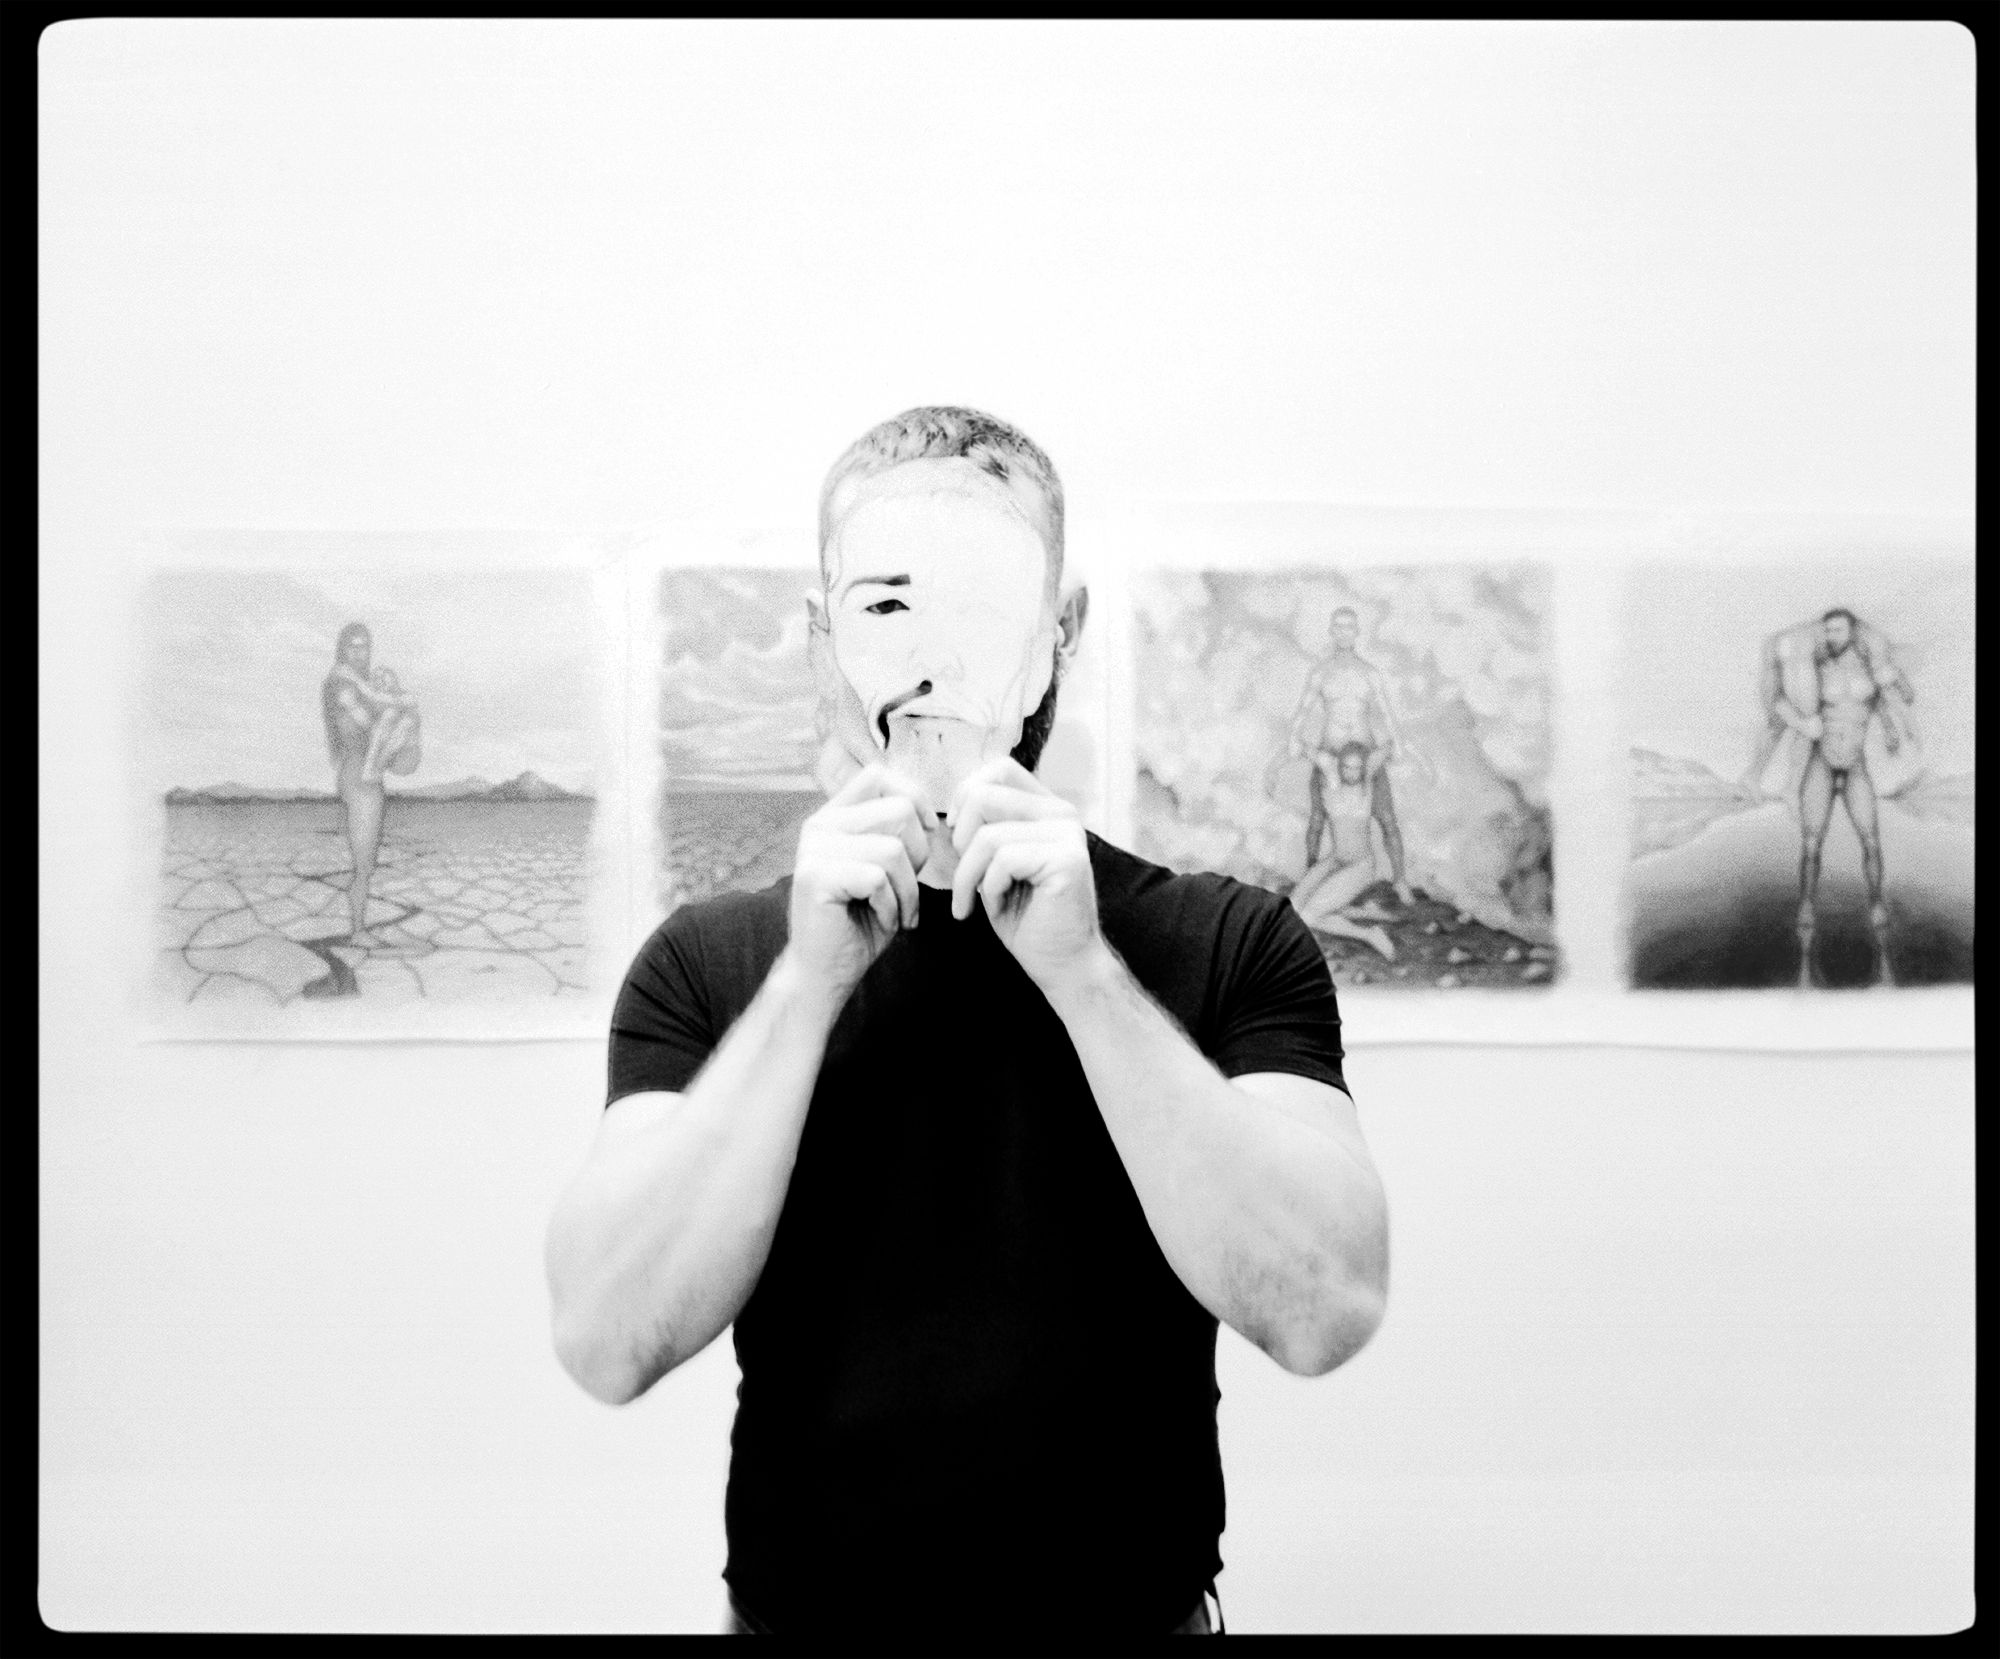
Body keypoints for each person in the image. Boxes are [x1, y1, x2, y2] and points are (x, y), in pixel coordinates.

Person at [545, 408, 1389, 1638]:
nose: (931, 668)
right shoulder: (707, 963)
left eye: (982, 609)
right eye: (886, 610)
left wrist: (1083, 976)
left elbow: (1326, 1311)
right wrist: (805, 987)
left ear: (1062, 633)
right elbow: (605, 1341)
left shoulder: (1229, 942)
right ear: (820, 640)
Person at [1761, 607, 1914, 986]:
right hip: (1822, 759)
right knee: (1812, 843)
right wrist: (1801, 723)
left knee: (1871, 838)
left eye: (1838, 628)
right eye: (1827, 628)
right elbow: (1779, 699)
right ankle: (1807, 905)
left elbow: (1898, 696)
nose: (1831, 634)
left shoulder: (1870, 664)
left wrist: (1891, 725)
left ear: (1852, 629)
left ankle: (1876, 903)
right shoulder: (1814, 664)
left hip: (1856, 760)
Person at [1283, 606, 1417, 904]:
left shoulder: (1369, 673)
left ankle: (1400, 880)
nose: (1344, 633)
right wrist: (1293, 740)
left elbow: (1386, 711)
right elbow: (1303, 709)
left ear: (1357, 633)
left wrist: (1398, 743)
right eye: (1339, 627)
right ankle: (1311, 872)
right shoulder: (1321, 672)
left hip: (1364, 754)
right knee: (1318, 819)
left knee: (1386, 818)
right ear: (1332, 632)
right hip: (1330, 753)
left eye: (1350, 627)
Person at [321, 624, 421, 945]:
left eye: (364, 647)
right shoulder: (341, 684)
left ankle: (359, 929)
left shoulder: (363, 685)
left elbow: (379, 724)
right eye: (352, 646)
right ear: (342, 649)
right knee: (363, 864)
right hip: (357, 775)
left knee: (367, 862)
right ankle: (358, 932)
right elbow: (362, 722)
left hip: (369, 774)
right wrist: (391, 715)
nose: (359, 653)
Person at [1288, 741, 1397, 960]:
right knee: (1290, 911)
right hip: (1335, 860)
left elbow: (1392, 746)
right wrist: (1273, 769)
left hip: (1361, 866)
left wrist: (1422, 763)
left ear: (1363, 767)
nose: (1352, 772)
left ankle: (1368, 934)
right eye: (1347, 767)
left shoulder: (1366, 780)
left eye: (1357, 767)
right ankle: (1348, 910)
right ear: (1339, 766)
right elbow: (1298, 746)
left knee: (1309, 917)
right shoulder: (1331, 776)